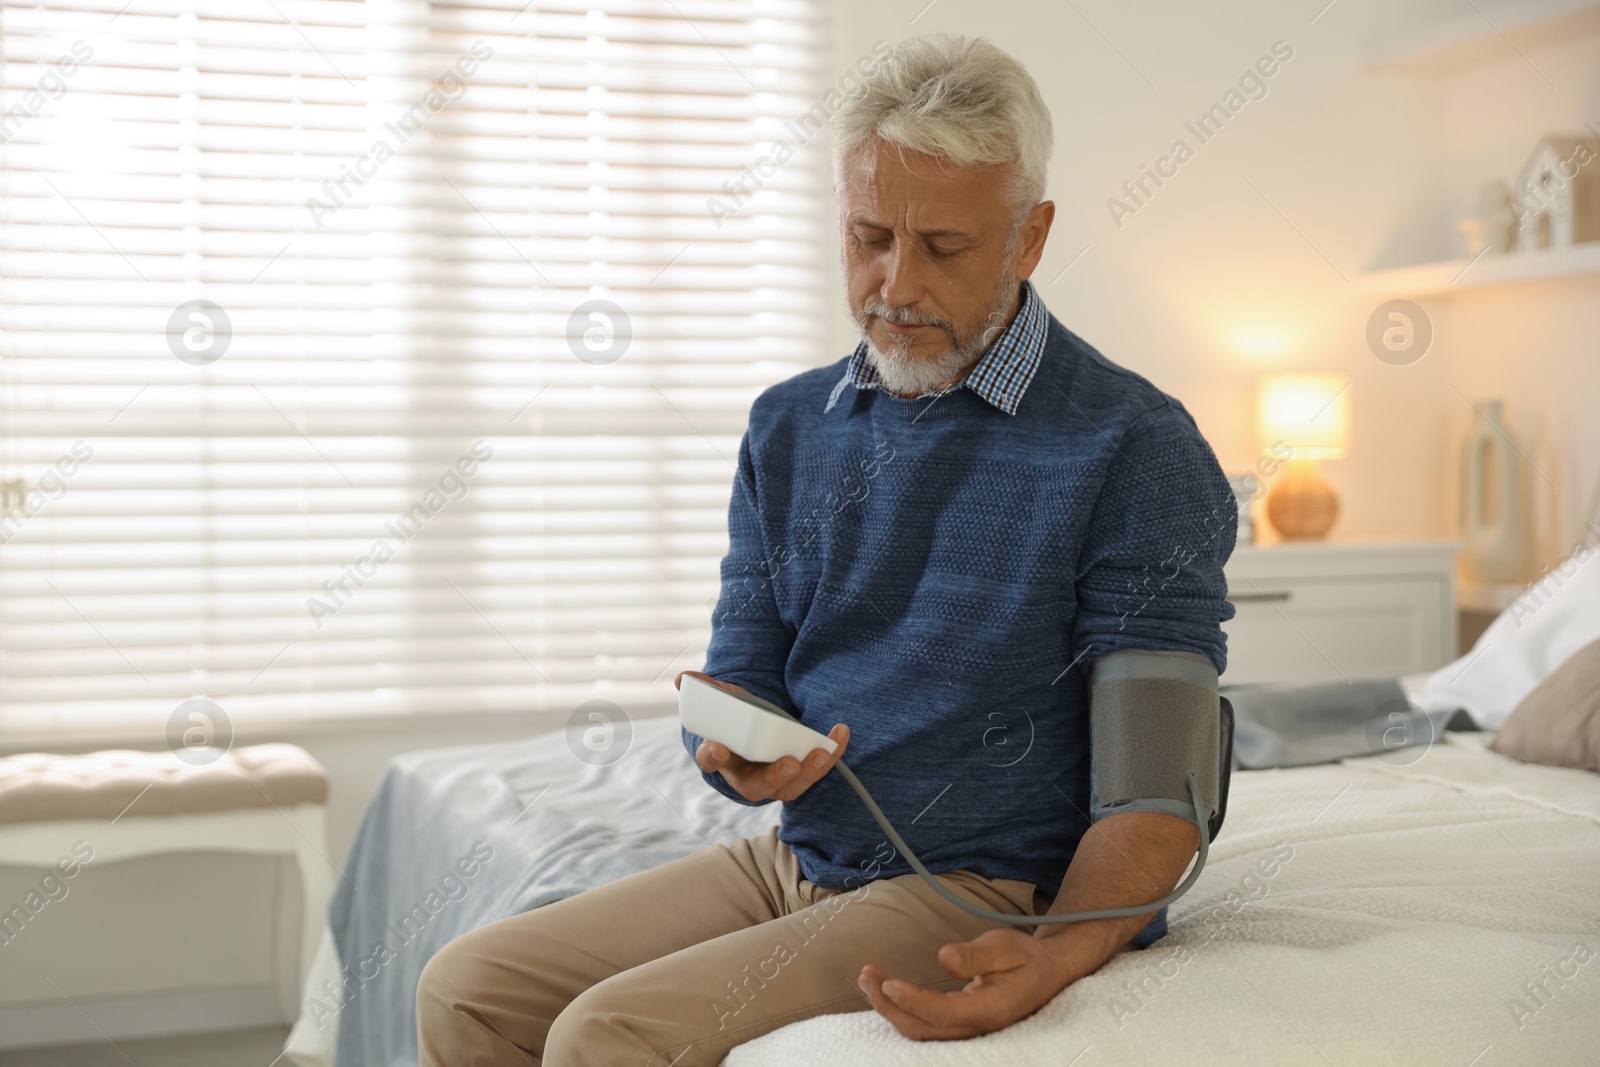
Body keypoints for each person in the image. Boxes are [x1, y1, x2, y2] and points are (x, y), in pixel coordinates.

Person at [417, 32, 1236, 1065]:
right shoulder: (788, 425)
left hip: (977, 882)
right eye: (867, 236)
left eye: (942, 247)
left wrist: (1056, 952)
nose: (894, 282)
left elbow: (1156, 792)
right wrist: (732, 748)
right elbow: (741, 672)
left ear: (1027, 238)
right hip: (799, 856)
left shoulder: (1133, 447)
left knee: (604, 1035)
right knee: (468, 989)